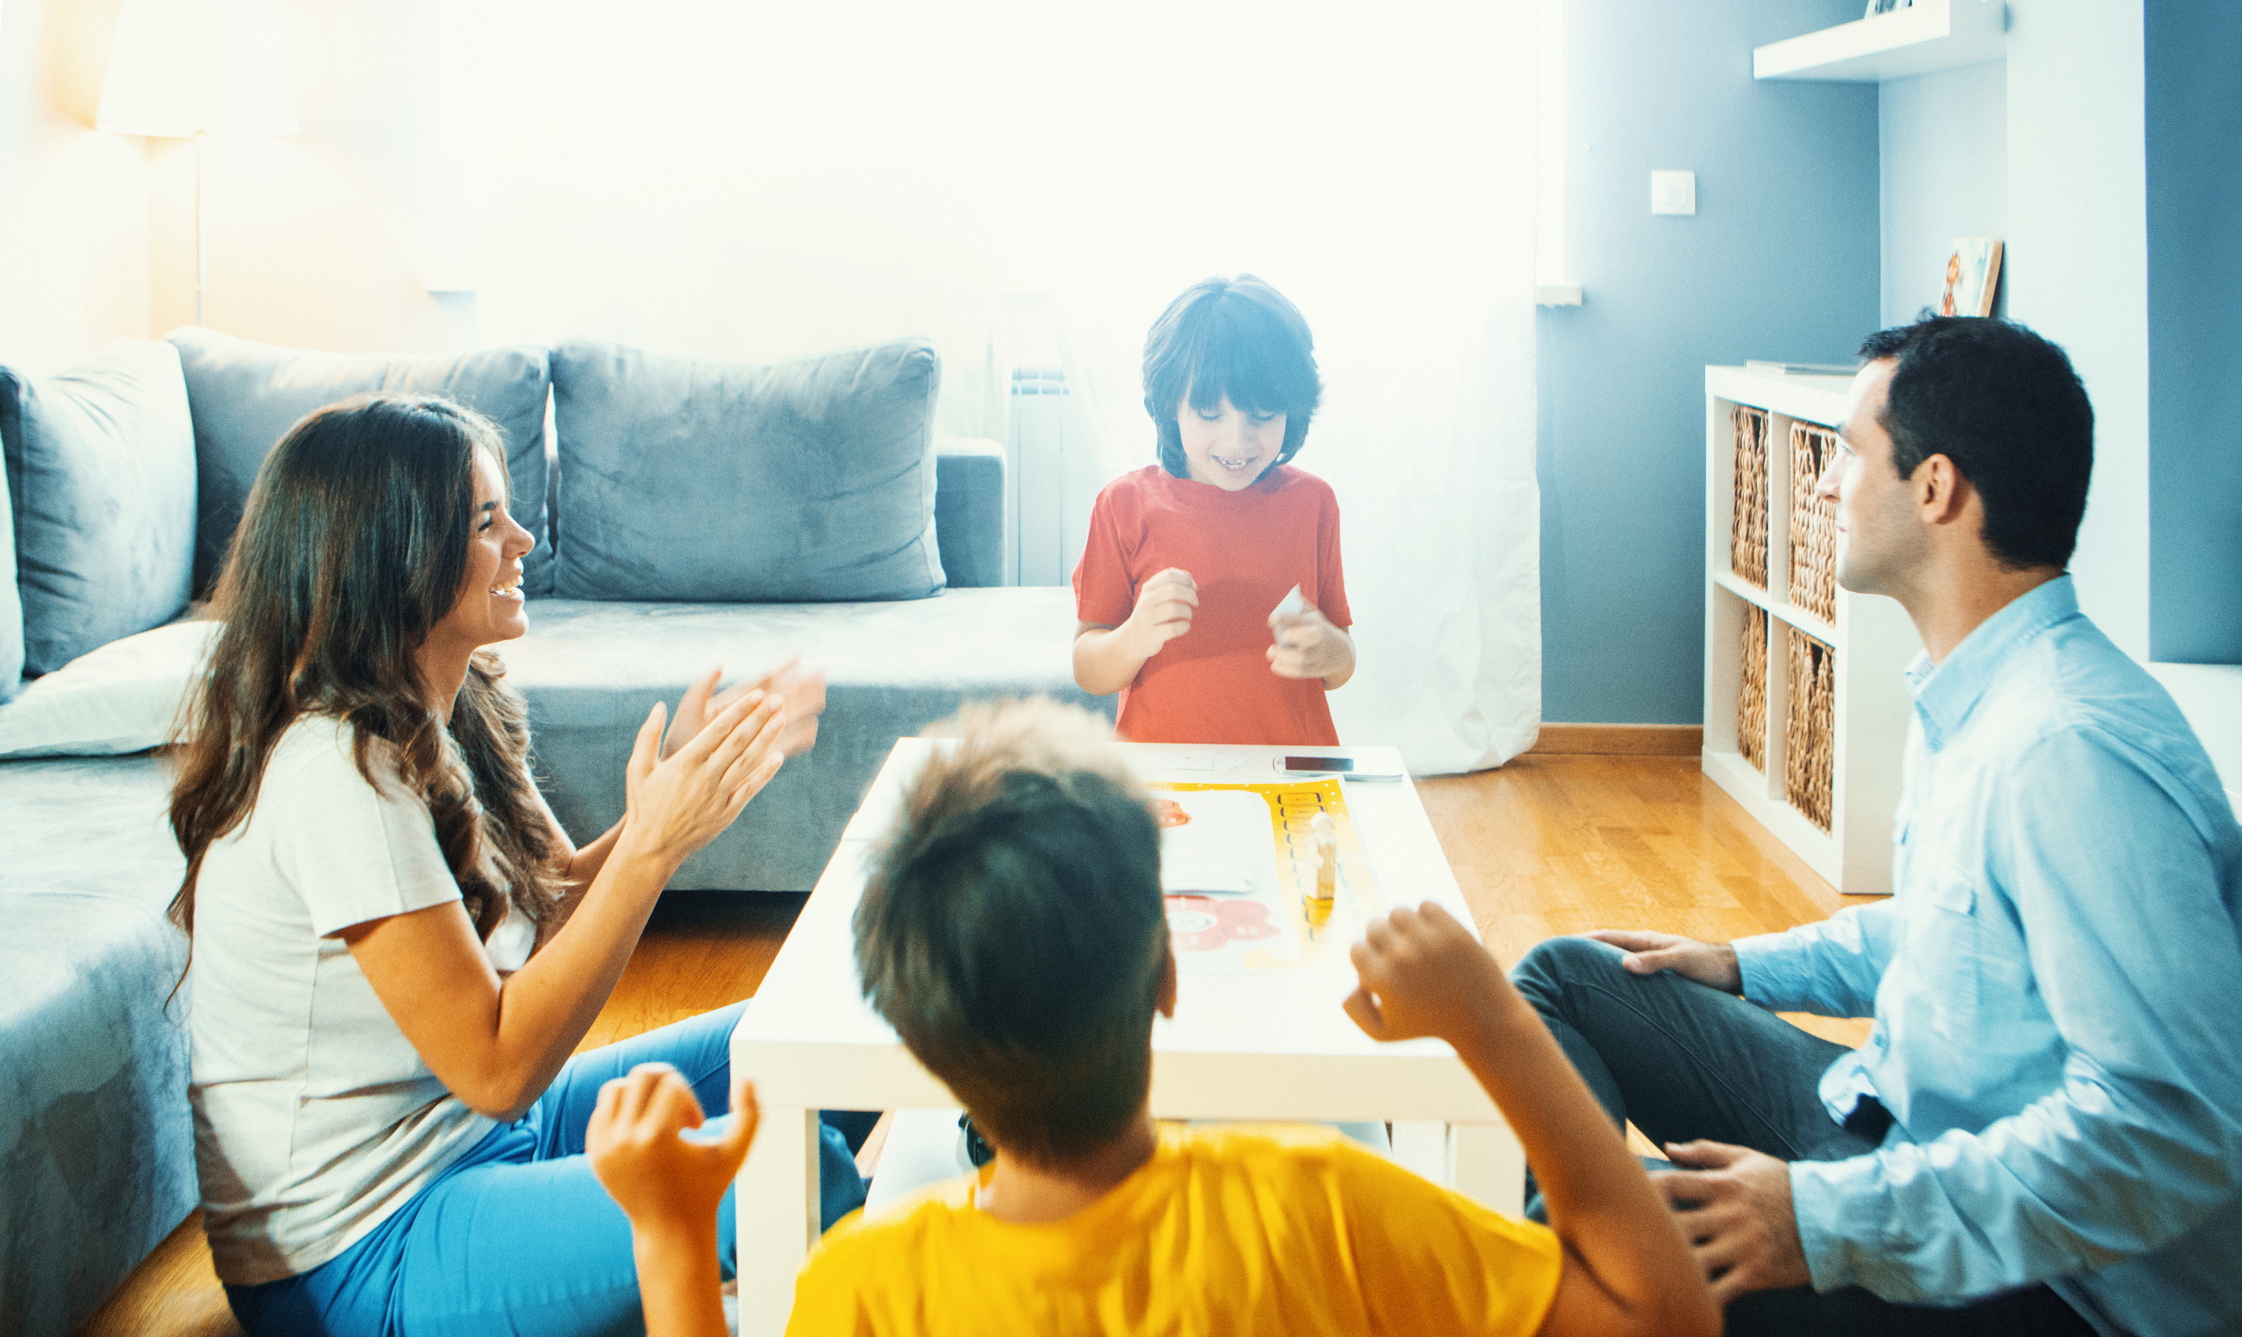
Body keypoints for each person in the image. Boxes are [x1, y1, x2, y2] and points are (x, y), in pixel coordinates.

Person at [1509, 316, 2242, 1335]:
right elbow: (1947, 930)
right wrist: (1738, 962)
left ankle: (1601, 1289)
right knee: (1568, 976)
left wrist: (1818, 1218)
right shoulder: (1977, 691)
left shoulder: (2067, 752)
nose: (1821, 483)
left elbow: (2172, 1127)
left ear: (1934, 486)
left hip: (2047, 1282)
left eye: (1849, 453)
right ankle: (1610, 1283)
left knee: (1573, 1263)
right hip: (1894, 1130)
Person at [648, 697, 1707, 1336]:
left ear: (918, 1039)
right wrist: (1496, 1024)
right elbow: (1663, 1314)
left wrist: (674, 1236)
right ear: (1166, 972)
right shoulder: (1323, 1209)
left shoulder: (868, 1285)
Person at [168, 393, 867, 1337]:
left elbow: (550, 905)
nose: (526, 540)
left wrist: (674, 794)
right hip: (365, 1250)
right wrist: (653, 845)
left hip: (488, 1140)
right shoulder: (336, 771)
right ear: (393, 554)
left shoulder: (449, 713)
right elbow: (496, 1064)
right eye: (489, 521)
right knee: (798, 1167)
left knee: (838, 1023)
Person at [1072, 275, 1355, 745]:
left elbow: (1341, 663)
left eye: (1263, 415)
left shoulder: (1314, 503)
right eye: (1209, 414)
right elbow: (1087, 667)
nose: (1237, 441)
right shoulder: (1123, 506)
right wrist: (1135, 635)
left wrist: (1330, 653)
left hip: (1291, 773)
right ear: (1169, 407)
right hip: (1165, 776)